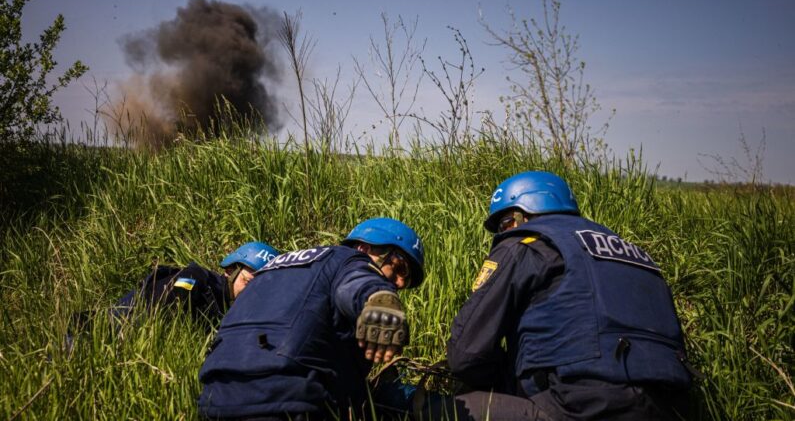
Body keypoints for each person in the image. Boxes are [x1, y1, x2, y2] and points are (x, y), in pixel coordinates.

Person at [444, 171, 694, 420]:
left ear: (524, 215)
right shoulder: (635, 253)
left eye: (505, 222)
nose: (503, 231)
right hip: (669, 408)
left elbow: (466, 355)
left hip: (576, 407)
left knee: (443, 409)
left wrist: (501, 379)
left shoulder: (526, 244)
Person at [197, 217, 425, 420]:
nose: (401, 283)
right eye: (399, 267)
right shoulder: (350, 261)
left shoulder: (272, 269)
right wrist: (378, 299)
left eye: (408, 279)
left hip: (214, 398)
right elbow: (356, 283)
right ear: (364, 248)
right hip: (287, 397)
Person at [114, 241, 280, 323]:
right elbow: (169, 313)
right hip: (117, 324)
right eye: (249, 282)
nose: (254, 292)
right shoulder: (196, 279)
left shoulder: (235, 312)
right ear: (231, 271)